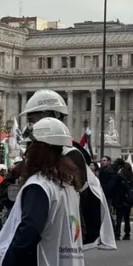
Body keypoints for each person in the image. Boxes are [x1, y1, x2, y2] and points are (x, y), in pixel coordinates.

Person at [0, 117, 86, 266]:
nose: (26, 153)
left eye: (30, 147)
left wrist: (9, 263)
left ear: (41, 149)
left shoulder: (39, 186)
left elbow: (30, 228)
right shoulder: (68, 186)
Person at [18, 89, 116, 250]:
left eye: (33, 119)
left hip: (60, 235)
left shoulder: (69, 155)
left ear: (53, 116)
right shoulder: (52, 153)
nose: (31, 125)